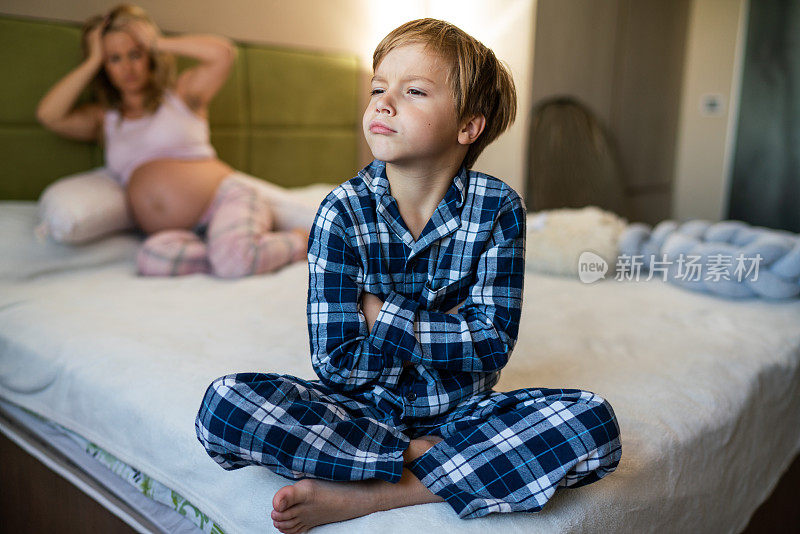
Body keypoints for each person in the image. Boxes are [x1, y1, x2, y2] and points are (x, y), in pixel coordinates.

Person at [195, 18, 622, 533]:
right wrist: (440, 338)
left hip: (462, 413)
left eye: (413, 91)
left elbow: (490, 345)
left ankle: (375, 493)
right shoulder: (340, 212)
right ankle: (429, 461)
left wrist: (381, 315)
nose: (382, 102)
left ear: (468, 126)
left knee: (592, 424)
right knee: (225, 406)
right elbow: (336, 364)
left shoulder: (498, 209)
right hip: (355, 411)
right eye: (378, 88)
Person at [36, 4, 308, 277]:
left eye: (135, 54)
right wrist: (93, 59)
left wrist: (157, 42)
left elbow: (223, 54)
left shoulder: (180, 95)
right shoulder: (105, 118)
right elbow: (49, 115)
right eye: (114, 59)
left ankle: (299, 241)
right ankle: (228, 249)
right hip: (179, 234)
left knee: (234, 263)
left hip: (226, 200)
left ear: (149, 55)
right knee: (150, 260)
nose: (127, 67)